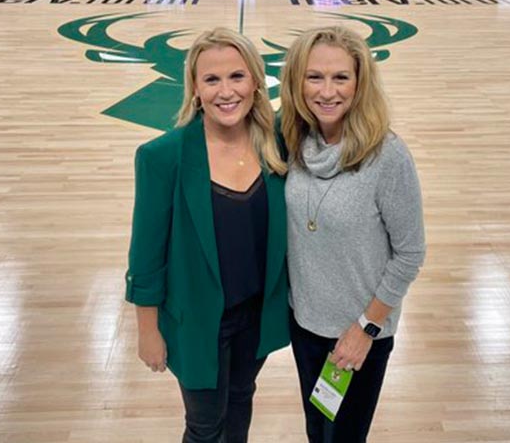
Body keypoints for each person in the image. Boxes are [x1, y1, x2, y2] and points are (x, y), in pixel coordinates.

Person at [126, 28, 290, 443]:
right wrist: (148, 330)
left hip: (256, 315)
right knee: (204, 426)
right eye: (211, 80)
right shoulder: (163, 157)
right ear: (195, 89)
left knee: (240, 401)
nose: (225, 91)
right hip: (199, 322)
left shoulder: (279, 143)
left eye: (237, 76)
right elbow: (146, 256)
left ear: (256, 81)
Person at [279, 26, 426, 443]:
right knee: (317, 430)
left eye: (340, 77)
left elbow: (410, 253)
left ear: (360, 83)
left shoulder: (387, 155)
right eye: (314, 77)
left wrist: (365, 329)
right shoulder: (295, 140)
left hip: (359, 335)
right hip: (305, 324)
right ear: (296, 82)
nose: (327, 91)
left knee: (343, 438)